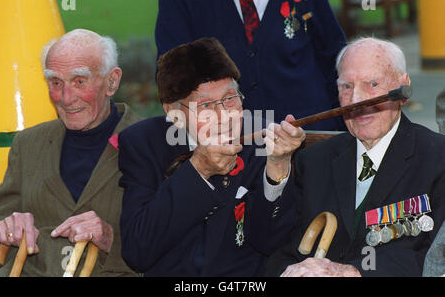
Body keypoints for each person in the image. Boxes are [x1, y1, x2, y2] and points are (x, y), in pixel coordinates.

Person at [118, 37, 306, 276]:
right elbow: (138, 252)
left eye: (230, 99)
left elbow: (269, 242)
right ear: (174, 112)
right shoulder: (145, 144)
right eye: (205, 105)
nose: (224, 115)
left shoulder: (260, 140)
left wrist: (277, 165)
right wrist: (199, 170)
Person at [266, 37, 445, 277]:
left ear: (403, 88)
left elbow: (435, 259)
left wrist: (353, 272)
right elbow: (275, 246)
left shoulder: (437, 158)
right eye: (346, 87)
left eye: (372, 84)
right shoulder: (314, 160)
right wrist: (277, 165)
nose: (357, 100)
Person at [0, 29, 142, 276]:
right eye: (56, 83)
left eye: (79, 81)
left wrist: (110, 240)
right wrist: (4, 227)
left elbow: (176, 246)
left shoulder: (154, 144)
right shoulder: (28, 143)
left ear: (111, 82)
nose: (65, 97)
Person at [155, 0, 347, 130]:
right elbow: (172, 74)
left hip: (309, 133)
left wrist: (343, 127)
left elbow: (333, 55)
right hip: (233, 145)